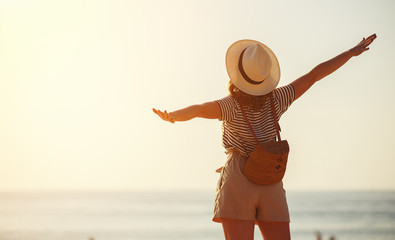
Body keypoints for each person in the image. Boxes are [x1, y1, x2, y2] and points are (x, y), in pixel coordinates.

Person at [153, 34, 376, 240]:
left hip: (238, 177)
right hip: (271, 178)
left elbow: (200, 110)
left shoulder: (229, 105)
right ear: (265, 76)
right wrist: (350, 53)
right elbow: (315, 75)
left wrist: (173, 116)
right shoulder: (278, 99)